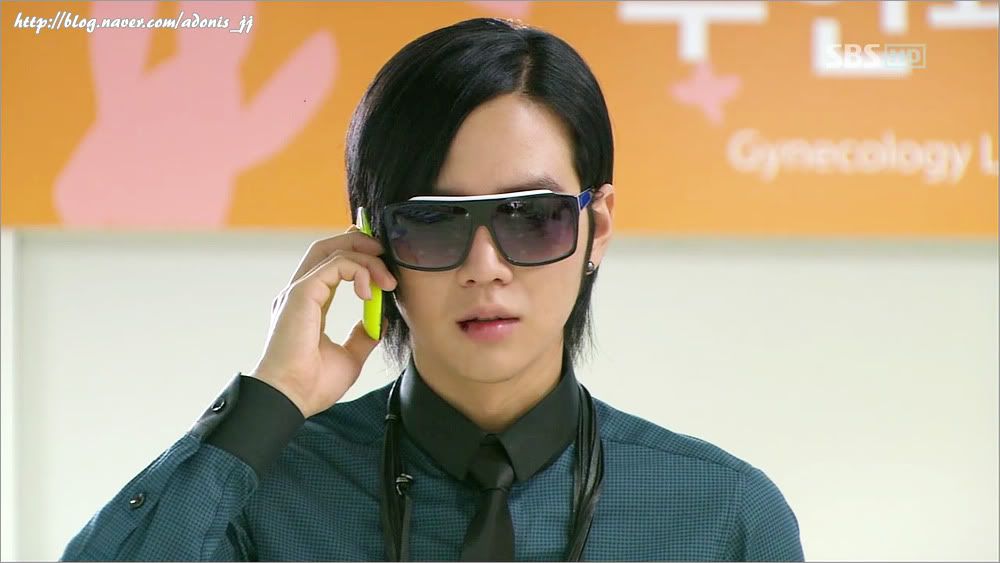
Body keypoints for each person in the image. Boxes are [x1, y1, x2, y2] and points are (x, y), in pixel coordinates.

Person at [61, 17, 803, 562]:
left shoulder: (722, 514)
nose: (485, 265)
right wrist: (271, 400)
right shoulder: (263, 492)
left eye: (531, 216)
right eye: (432, 222)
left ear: (596, 227)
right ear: (371, 243)